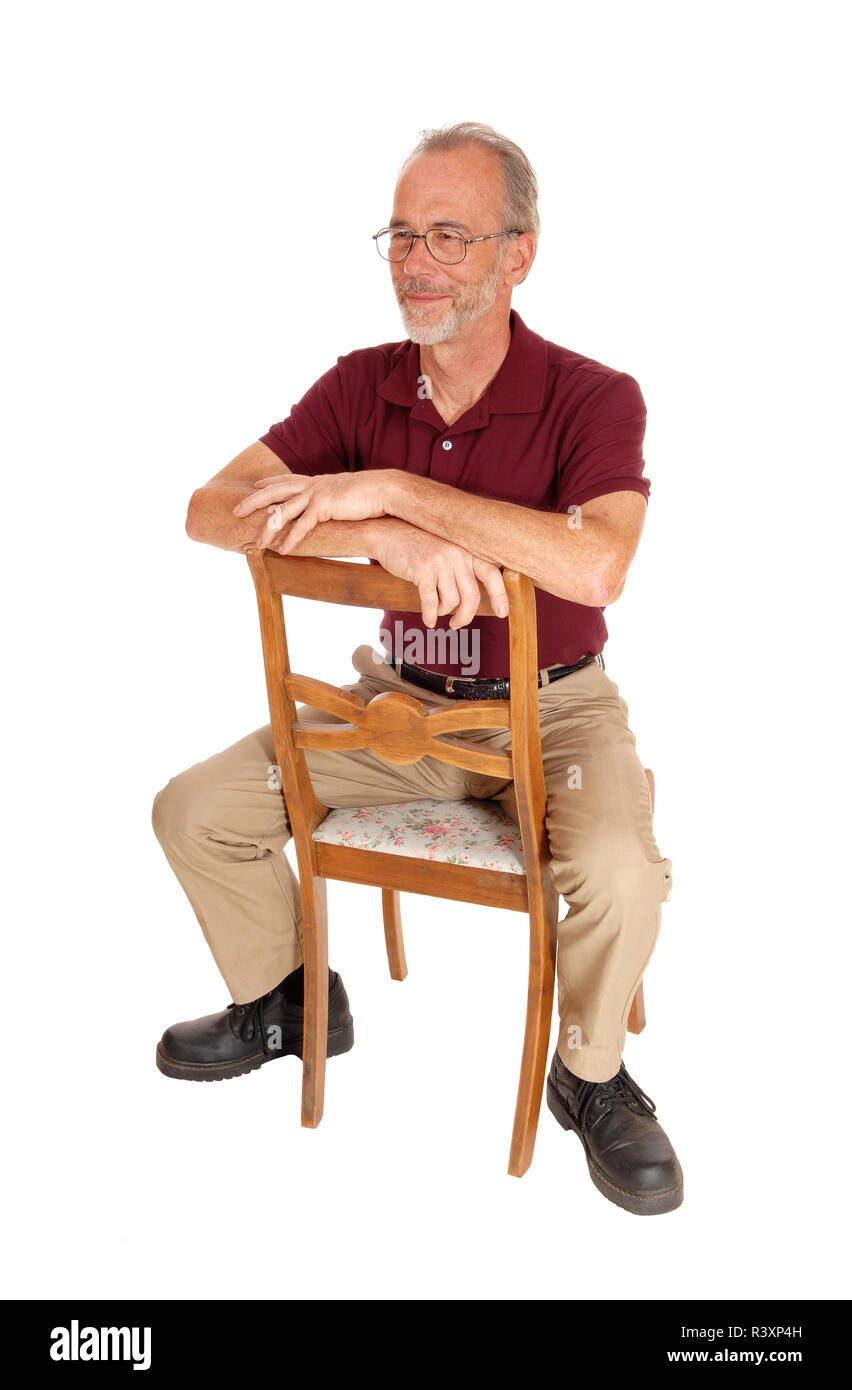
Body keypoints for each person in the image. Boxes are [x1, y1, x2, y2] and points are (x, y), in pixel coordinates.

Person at [152, 122, 680, 1215]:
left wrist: (396, 490)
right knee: (197, 808)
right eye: (400, 234)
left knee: (623, 875)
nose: (415, 262)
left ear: (516, 254)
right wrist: (375, 537)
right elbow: (211, 509)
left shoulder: (596, 395)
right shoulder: (360, 385)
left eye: (448, 234)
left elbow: (598, 563)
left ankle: (590, 1078)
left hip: (556, 711)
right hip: (402, 711)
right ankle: (292, 1001)